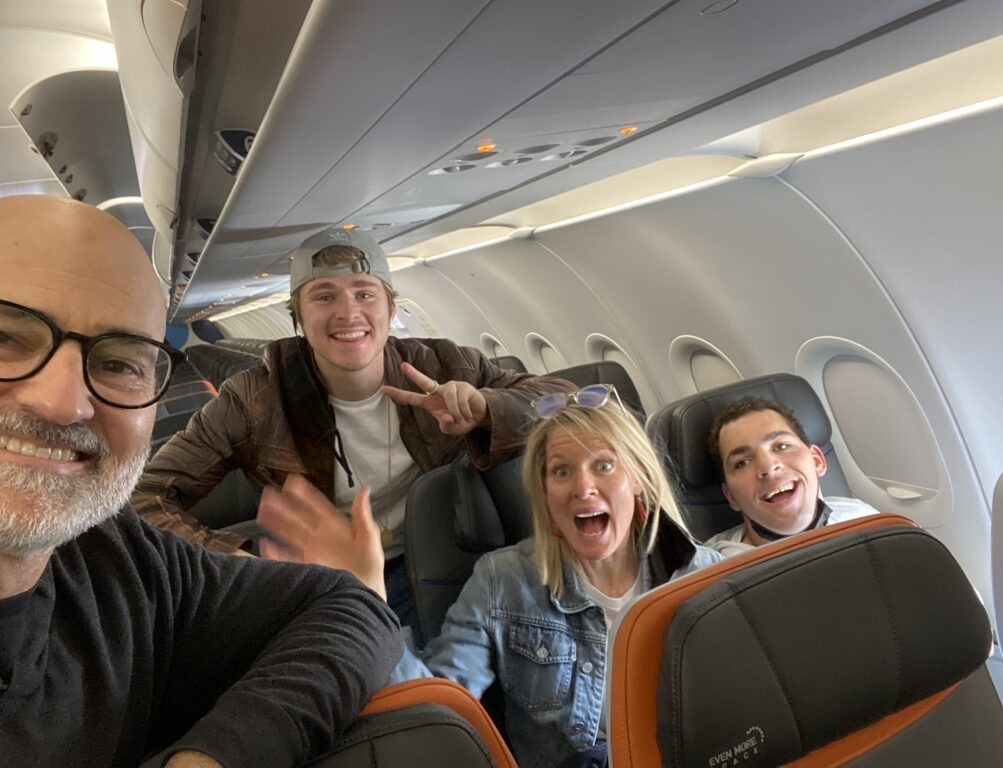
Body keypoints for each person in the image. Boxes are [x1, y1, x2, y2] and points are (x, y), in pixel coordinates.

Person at [0, 195, 402, 767]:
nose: (62, 402)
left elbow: (355, 607)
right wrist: (245, 552)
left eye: (117, 362)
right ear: (295, 316)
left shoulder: (117, 559)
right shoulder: (252, 396)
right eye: (4, 338)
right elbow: (151, 492)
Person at [131, 226, 571, 639]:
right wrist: (235, 560)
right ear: (298, 319)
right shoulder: (253, 399)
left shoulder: (446, 364)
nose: (348, 312)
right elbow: (142, 497)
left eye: (365, 293)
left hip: (434, 559)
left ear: (391, 309)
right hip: (324, 583)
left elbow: (563, 398)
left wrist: (485, 408)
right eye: (324, 296)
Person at [361, 384, 722, 768]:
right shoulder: (503, 581)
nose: (583, 488)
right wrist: (368, 594)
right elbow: (438, 707)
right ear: (545, 494)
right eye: (561, 471)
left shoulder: (702, 574)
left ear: (637, 479)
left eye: (603, 465)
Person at [704, 396, 878, 557]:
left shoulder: (866, 520)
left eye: (781, 446)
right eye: (742, 462)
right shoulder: (710, 572)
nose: (768, 467)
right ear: (731, 496)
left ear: (817, 461)